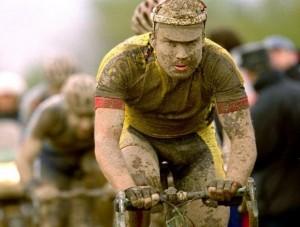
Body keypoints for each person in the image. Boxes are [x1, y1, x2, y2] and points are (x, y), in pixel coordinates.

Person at [94, 0, 257, 226]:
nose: (182, 54)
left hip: (196, 141)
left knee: (212, 219)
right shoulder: (121, 63)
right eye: (171, 43)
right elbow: (105, 138)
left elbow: (242, 136)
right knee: (139, 187)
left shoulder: (220, 63)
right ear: (153, 38)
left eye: (191, 44)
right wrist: (126, 187)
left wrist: (233, 180)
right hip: (139, 136)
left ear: (203, 39)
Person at [16, 74, 113, 227]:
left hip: (88, 161)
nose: (85, 125)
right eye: (79, 116)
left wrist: (115, 182)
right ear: (66, 108)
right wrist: (34, 187)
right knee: (50, 216)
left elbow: (117, 149)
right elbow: (24, 158)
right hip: (53, 164)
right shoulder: (48, 113)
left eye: (90, 116)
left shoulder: (106, 112)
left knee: (87, 216)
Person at [19, 54, 78, 125]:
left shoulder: (78, 92)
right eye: (56, 86)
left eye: (63, 85)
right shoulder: (35, 98)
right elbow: (28, 124)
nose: (59, 91)